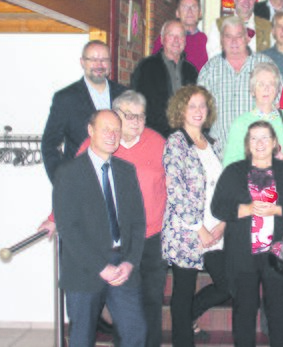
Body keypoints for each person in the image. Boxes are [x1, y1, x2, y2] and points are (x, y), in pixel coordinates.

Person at [74, 91, 167, 347]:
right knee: (124, 309)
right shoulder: (97, 145)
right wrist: (53, 217)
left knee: (151, 303)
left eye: (141, 116)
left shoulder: (158, 142)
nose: (136, 121)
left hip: (151, 238)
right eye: (129, 115)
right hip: (114, 241)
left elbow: (172, 186)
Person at [211, 121, 283, 347]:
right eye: (254, 138)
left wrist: (278, 210)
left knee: (279, 310)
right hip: (242, 255)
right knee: (244, 310)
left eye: (265, 137)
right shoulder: (233, 171)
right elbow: (217, 207)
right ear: (247, 143)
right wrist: (243, 209)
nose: (260, 143)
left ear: (275, 142)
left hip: (279, 253)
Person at [53, 110, 147, 347]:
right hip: (85, 268)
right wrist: (100, 267)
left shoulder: (127, 171)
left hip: (123, 265)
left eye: (116, 129)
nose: (112, 134)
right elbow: (68, 229)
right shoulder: (68, 173)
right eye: (106, 128)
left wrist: (130, 262)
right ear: (91, 131)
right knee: (82, 338)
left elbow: (137, 222)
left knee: (136, 332)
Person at [162, 85, 229, 346]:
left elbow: (221, 189)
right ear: (181, 110)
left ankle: (187, 317)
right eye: (192, 105)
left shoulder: (211, 144)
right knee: (183, 292)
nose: (199, 110)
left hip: (214, 230)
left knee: (227, 286)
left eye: (202, 105)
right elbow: (175, 189)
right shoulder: (176, 143)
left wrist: (222, 224)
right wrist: (198, 227)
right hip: (186, 231)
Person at [41, 40, 127, 184]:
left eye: (104, 59)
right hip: (80, 182)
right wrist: (61, 182)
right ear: (82, 62)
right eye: (93, 59)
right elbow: (49, 144)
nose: (99, 65)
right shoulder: (65, 98)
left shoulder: (125, 95)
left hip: (118, 181)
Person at [198, 16, 274, 145]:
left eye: (238, 36)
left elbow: (278, 106)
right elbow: (199, 110)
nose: (234, 41)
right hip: (220, 151)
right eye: (228, 36)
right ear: (222, 40)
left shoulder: (265, 65)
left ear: (246, 38)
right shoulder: (209, 69)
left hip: (258, 152)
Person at [131, 20, 199, 137]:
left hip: (187, 137)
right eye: (171, 35)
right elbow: (135, 102)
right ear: (162, 39)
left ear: (185, 41)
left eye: (180, 36)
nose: (176, 40)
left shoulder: (192, 71)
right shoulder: (146, 67)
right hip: (155, 136)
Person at [223, 61, 283, 167]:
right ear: (252, 91)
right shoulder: (241, 123)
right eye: (261, 84)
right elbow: (229, 166)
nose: (266, 89)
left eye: (271, 84)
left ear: (277, 89)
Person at [207, 0, 272, 58]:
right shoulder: (218, 25)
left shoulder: (267, 27)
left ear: (255, 0)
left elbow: (272, 58)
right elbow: (214, 57)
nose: (246, 2)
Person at [152, 0, 208, 72]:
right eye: (185, 7)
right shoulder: (166, 39)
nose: (190, 11)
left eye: (194, 7)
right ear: (177, 13)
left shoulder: (206, 41)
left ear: (200, 13)